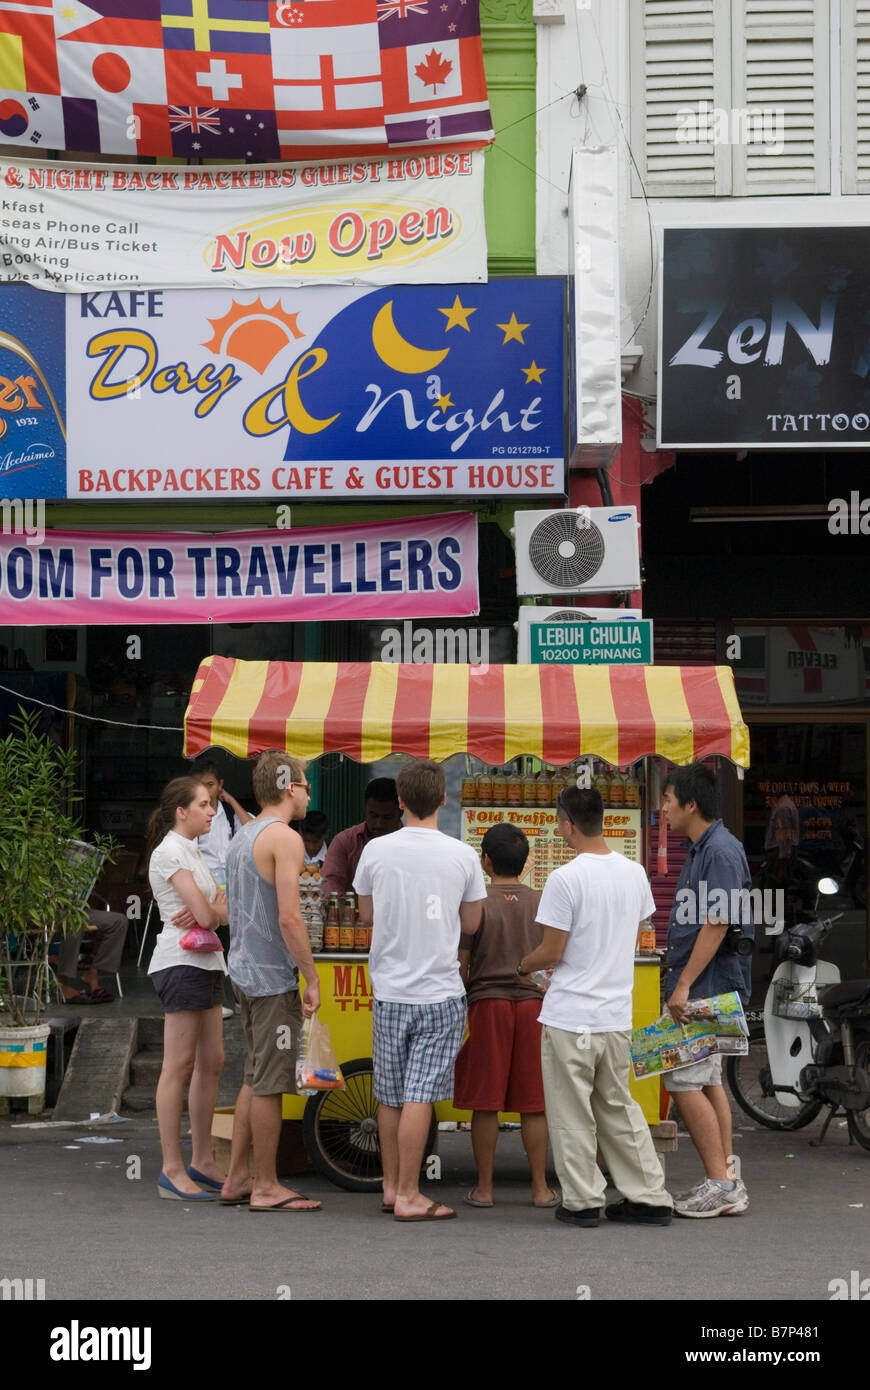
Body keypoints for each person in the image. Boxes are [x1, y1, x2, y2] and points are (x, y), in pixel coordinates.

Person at [518, 786, 673, 1228]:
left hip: (571, 1015)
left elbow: (550, 951)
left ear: (567, 823)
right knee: (617, 1106)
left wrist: (521, 965)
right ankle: (648, 1195)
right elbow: (636, 928)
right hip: (615, 1014)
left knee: (571, 1111)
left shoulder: (565, 879)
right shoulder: (634, 874)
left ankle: (584, 1200)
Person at [354, 759, 487, 1222]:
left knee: (390, 1094)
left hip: (389, 990)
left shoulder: (375, 852)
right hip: (439, 991)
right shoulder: (463, 855)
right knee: (419, 1094)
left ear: (400, 802)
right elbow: (471, 923)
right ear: (444, 800)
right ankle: (411, 1195)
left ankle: (392, 1187)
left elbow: (366, 916)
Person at [220, 749, 322, 1213]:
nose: (308, 792)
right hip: (270, 977)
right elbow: (289, 917)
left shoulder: (244, 836)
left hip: (243, 971)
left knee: (252, 1075)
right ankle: (265, 1185)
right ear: (287, 787)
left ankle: (238, 1177)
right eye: (303, 784)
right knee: (269, 1084)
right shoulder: (284, 838)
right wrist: (311, 976)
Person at [661, 762, 753, 1218]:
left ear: (690, 803)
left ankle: (721, 1182)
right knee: (709, 1080)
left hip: (707, 987)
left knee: (682, 1080)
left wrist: (682, 985)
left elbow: (717, 924)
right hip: (707, 984)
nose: (662, 809)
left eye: (667, 799)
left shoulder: (718, 852)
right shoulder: (705, 848)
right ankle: (726, 1180)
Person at [453, 823, 556, 1209]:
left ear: (486, 861)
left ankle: (484, 1188)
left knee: (486, 1102)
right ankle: (540, 1189)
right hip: (534, 1006)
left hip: (488, 1005)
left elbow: (461, 965)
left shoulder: (476, 904)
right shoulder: (541, 901)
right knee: (533, 1102)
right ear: (526, 862)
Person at [146, 776, 229, 1201]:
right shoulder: (169, 852)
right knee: (178, 1066)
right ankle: (171, 1169)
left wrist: (209, 910)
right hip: (181, 963)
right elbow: (207, 911)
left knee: (212, 1060)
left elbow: (220, 912)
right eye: (204, 804)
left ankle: (202, 1158)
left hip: (207, 961)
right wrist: (209, 910)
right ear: (182, 811)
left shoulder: (193, 851)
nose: (212, 810)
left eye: (212, 803)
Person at [191, 757, 253, 1020]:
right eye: (200, 785)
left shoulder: (226, 813)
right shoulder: (195, 815)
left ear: (220, 785)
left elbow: (251, 828)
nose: (206, 789)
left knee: (235, 942)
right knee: (211, 942)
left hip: (232, 886)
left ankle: (235, 997)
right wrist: (213, 887)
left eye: (210, 784)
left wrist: (231, 800)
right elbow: (191, 853)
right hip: (206, 885)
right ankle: (216, 999)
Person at [322, 777, 402, 898]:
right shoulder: (344, 842)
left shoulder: (412, 846)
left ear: (401, 811)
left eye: (387, 817)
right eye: (373, 816)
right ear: (365, 808)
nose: (379, 823)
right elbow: (331, 882)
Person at [56, 908, 129, 1004]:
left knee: (119, 921)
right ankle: (62, 984)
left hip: (77, 909)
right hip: (48, 911)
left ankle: (93, 973)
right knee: (74, 923)